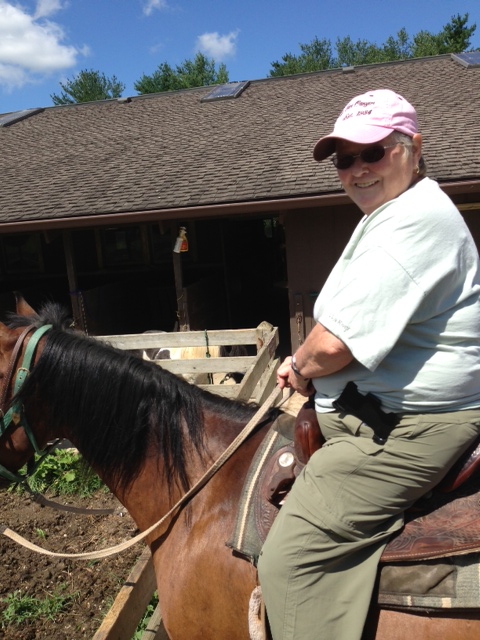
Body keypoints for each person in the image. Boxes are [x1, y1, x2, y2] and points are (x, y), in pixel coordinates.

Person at [257, 89, 480, 640]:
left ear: (414, 147)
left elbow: (334, 344)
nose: (357, 170)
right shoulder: (394, 212)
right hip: (379, 411)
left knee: (290, 560)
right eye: (344, 159)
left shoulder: (414, 221)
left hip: (410, 428)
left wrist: (302, 366)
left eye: (373, 152)